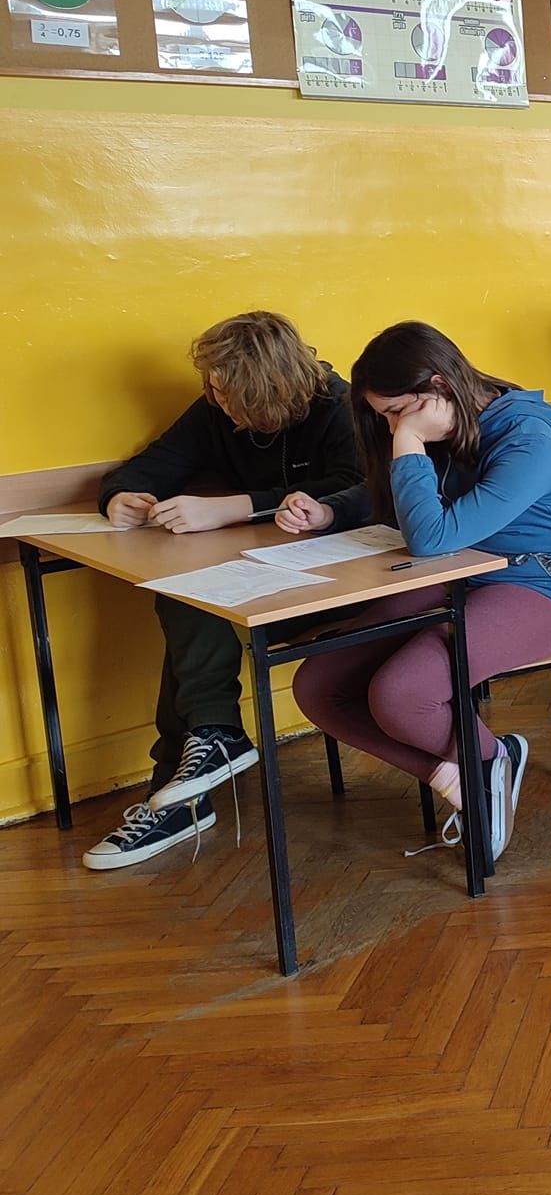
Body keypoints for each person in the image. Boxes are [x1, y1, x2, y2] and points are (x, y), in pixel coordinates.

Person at [282, 322, 551, 863]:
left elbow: (430, 536)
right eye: (387, 419)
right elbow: (402, 499)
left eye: (395, 413)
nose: (392, 427)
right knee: (319, 684)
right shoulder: (447, 424)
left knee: (401, 693)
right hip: (461, 575)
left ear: (438, 386)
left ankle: (486, 762)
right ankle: (464, 771)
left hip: (546, 586)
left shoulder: (529, 441)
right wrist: (331, 511)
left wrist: (408, 440)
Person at [84, 312, 363, 871]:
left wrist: (235, 507)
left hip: (344, 582)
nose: (217, 401)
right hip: (261, 573)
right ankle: (208, 745)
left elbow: (358, 487)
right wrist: (120, 496)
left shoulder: (340, 406)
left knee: (191, 619)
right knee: (184, 595)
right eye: (213, 388)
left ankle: (185, 781)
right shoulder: (215, 407)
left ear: (267, 389)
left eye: (229, 393)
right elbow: (151, 465)